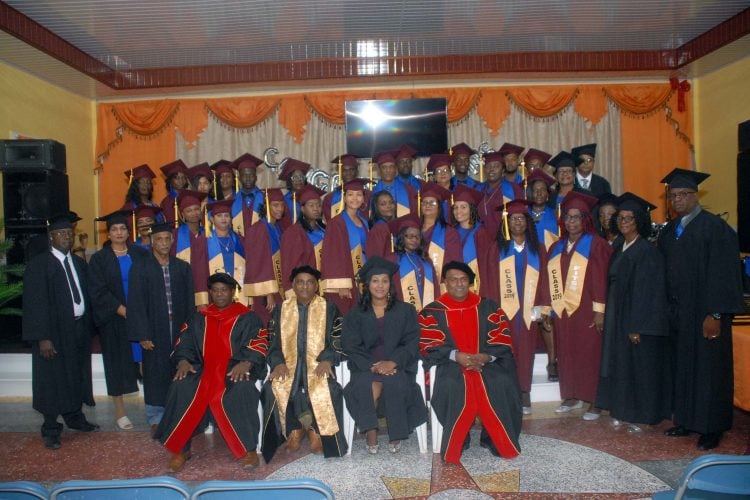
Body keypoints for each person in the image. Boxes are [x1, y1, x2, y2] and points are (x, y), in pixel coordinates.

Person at [657, 168, 744, 450]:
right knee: (683, 367)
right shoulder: (671, 231)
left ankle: (712, 427)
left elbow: (726, 275)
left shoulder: (715, 229)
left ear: (696, 196)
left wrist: (716, 314)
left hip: (707, 314)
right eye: (673, 196)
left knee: (709, 370)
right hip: (679, 314)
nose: (678, 200)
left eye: (684, 195)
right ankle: (685, 419)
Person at [156, 272, 268, 472]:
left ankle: (248, 449)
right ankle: (181, 449)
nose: (219, 295)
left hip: (233, 370)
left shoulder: (247, 317)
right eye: (215, 291)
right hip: (201, 370)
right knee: (181, 385)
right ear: (210, 293)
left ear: (233, 292)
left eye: (224, 290)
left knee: (242, 389)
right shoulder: (199, 318)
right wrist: (182, 361)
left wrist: (247, 363)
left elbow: (259, 341)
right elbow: (184, 342)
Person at [418, 261, 522, 464]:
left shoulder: (488, 306)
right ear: (445, 283)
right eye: (453, 280)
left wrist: (485, 356)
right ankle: (461, 436)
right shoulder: (433, 311)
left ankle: (492, 439)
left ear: (471, 282)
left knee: (501, 381)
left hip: (487, 363)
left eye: (463, 279)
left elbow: (501, 338)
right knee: (451, 384)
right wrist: (456, 356)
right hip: (450, 364)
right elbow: (428, 342)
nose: (459, 284)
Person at [22, 214, 99, 450]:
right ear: (51, 236)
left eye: (69, 233)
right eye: (61, 233)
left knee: (76, 374)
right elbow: (34, 304)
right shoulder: (39, 265)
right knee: (52, 379)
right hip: (53, 333)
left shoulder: (77, 263)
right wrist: (42, 337)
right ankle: (51, 428)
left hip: (77, 328)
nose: (66, 237)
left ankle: (75, 417)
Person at [595, 193, 670, 433]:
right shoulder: (620, 247)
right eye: (621, 218)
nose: (623, 221)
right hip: (619, 313)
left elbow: (650, 293)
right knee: (623, 364)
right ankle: (624, 411)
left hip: (638, 318)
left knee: (641, 367)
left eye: (629, 218)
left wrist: (637, 325)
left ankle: (644, 416)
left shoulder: (647, 251)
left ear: (639, 221)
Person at [262, 266, 347, 461]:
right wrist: (278, 363)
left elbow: (339, 337)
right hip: (289, 366)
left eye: (310, 282)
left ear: (317, 285)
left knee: (330, 389)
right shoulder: (282, 309)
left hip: (317, 366)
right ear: (293, 285)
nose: (305, 286)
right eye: (300, 282)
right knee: (272, 389)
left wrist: (328, 359)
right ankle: (293, 430)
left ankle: (317, 431)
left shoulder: (329, 307)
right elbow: (272, 342)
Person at [342, 257, 427, 453]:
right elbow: (350, 345)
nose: (380, 285)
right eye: (375, 280)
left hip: (398, 365)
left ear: (391, 284)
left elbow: (412, 342)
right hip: (366, 366)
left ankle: (396, 433)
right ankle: (372, 431)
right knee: (367, 383)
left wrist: (393, 362)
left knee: (395, 382)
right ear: (367, 284)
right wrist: (373, 366)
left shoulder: (406, 311)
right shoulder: (355, 314)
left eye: (385, 280)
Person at [547, 192, 612, 420]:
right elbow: (548, 280)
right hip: (563, 309)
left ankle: (595, 401)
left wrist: (599, 312)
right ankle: (571, 395)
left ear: (585, 219)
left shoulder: (597, 245)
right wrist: (548, 308)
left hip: (588, 309)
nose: (571, 222)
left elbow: (601, 280)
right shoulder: (556, 247)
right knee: (567, 351)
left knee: (590, 354)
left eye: (576, 217)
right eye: (567, 217)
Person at [127, 222, 195, 435]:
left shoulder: (182, 268)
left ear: (172, 241)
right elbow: (135, 302)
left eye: (167, 239)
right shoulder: (141, 267)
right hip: (153, 327)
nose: (164, 243)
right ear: (151, 242)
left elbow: (189, 304)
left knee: (177, 368)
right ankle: (155, 416)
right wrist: (142, 334)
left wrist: (188, 332)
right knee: (154, 371)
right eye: (159, 240)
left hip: (177, 326)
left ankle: (176, 411)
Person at [485, 200, 551, 414]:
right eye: (513, 219)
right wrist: (492, 310)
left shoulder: (538, 249)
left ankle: (524, 392)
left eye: (521, 218)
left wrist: (544, 309)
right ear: (507, 222)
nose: (517, 222)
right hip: (505, 308)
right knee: (505, 350)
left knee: (526, 351)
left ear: (528, 222)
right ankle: (506, 392)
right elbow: (488, 280)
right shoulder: (497, 248)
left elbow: (544, 281)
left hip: (529, 309)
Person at [88, 210, 148, 431]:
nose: (119, 232)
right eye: (114, 229)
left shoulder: (140, 254)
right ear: (109, 233)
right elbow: (97, 291)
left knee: (146, 361)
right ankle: (120, 412)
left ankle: (153, 407)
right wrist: (122, 309)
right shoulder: (100, 259)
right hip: (114, 319)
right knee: (116, 364)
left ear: (128, 232)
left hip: (139, 316)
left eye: (123, 228)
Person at [525, 169, 560, 381]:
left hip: (550, 271)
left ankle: (553, 361)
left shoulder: (556, 216)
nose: (538, 193)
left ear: (548, 194)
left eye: (542, 190)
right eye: (535, 190)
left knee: (548, 314)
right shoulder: (523, 215)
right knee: (532, 313)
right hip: (530, 270)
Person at [321, 179, 369, 314]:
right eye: (350, 194)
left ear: (363, 198)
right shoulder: (336, 223)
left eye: (359, 194)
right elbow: (332, 255)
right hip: (346, 280)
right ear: (345, 198)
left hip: (362, 277)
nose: (355, 198)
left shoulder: (364, 222)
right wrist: (341, 285)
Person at [244, 188, 286, 324]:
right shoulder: (259, 229)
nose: (280, 209)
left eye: (281, 205)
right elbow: (258, 263)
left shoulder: (277, 228)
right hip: (266, 292)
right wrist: (268, 293)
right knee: (265, 326)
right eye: (275, 205)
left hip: (277, 286)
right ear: (266, 206)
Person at [280, 185, 326, 297]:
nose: (316, 209)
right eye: (311, 205)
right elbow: (290, 264)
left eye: (318, 205)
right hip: (306, 287)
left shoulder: (325, 229)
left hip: (325, 284)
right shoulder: (293, 232)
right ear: (302, 208)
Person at [389, 215, 440, 311]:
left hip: (427, 311)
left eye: (417, 237)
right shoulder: (392, 260)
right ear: (401, 237)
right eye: (410, 236)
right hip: (401, 311)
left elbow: (435, 288)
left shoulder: (426, 260)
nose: (414, 240)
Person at [420, 183, 461, 291]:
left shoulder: (450, 233)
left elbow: (455, 264)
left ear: (439, 206)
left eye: (432, 202)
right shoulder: (414, 231)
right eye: (424, 202)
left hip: (442, 286)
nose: (427, 205)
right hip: (418, 284)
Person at [452, 184, 491, 295]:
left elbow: (487, 263)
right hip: (455, 285)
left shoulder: (482, 232)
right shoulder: (451, 233)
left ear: (472, 209)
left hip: (477, 284)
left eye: (463, 207)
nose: (458, 211)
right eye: (455, 207)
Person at [173, 190, 209, 308]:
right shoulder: (174, 236)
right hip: (182, 290)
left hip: (207, 289)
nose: (194, 213)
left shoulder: (209, 234)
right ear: (182, 214)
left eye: (196, 209)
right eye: (189, 210)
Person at [477, 151, 523, 238]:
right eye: (488, 166)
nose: (491, 169)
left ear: (502, 170)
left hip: (505, 239)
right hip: (482, 240)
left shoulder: (514, 190)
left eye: (496, 166)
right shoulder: (478, 189)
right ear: (484, 169)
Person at [371, 150, 417, 218]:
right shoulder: (373, 193)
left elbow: (414, 214)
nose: (388, 170)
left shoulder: (409, 190)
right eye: (384, 167)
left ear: (395, 170)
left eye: (391, 167)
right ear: (379, 171)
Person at [230, 153, 265, 237]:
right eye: (244, 175)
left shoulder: (265, 198)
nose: (248, 178)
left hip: (260, 241)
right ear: (239, 178)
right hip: (239, 243)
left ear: (256, 177)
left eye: (251, 175)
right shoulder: (232, 199)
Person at [323, 154, 366, 221]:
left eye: (351, 169)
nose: (348, 173)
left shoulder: (367, 195)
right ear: (340, 172)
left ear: (357, 171)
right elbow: (330, 225)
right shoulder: (329, 199)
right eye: (344, 170)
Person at [278, 158, 310, 230]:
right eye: (295, 177)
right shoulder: (284, 200)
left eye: (301, 177)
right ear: (289, 180)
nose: (298, 180)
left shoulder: (309, 198)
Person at [364, 190, 396, 260]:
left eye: (391, 202)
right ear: (376, 208)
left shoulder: (390, 226)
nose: (388, 206)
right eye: (383, 204)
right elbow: (376, 257)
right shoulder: (379, 228)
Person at [158, 159, 189, 224]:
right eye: (177, 178)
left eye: (183, 177)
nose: (181, 180)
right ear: (170, 181)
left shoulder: (190, 198)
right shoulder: (165, 202)